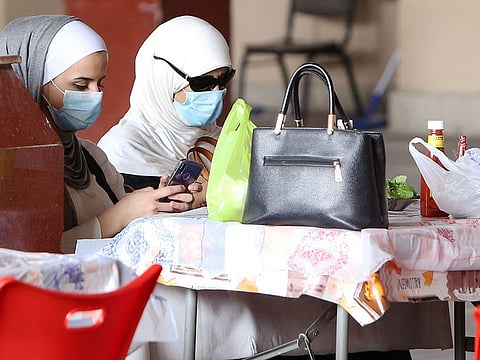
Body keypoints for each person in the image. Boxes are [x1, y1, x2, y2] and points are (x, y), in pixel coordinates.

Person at [0, 15, 201, 253]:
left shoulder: (89, 156)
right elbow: (22, 255)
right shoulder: (9, 168)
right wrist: (114, 219)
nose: (95, 95)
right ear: (30, 80)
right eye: (80, 85)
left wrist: (156, 201)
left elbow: (124, 213)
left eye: (100, 84)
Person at [98, 15, 235, 208]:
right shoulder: (122, 152)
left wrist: (208, 194)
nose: (216, 92)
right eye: (202, 83)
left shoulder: (226, 142)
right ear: (164, 80)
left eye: (223, 79)